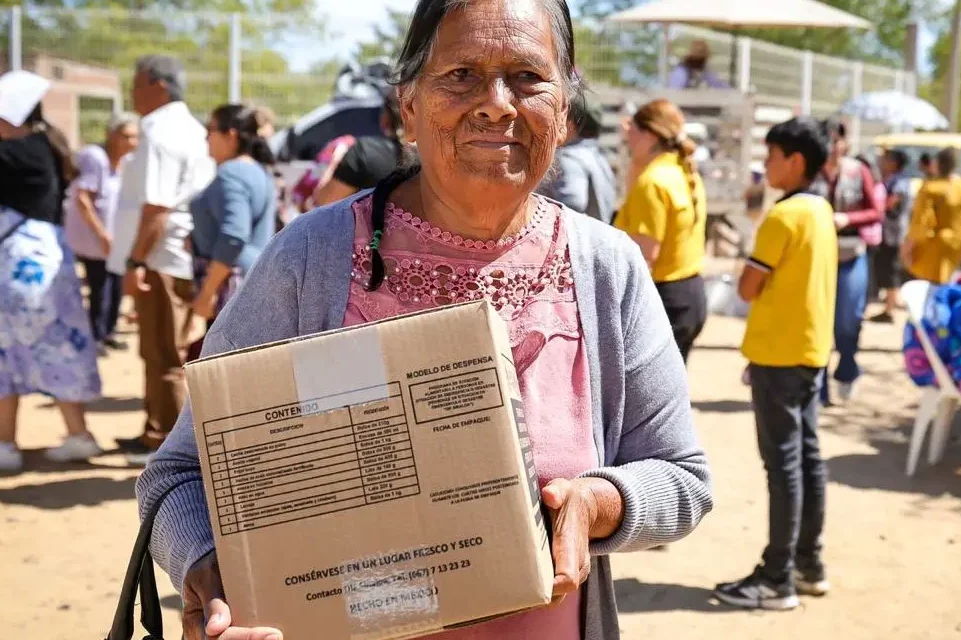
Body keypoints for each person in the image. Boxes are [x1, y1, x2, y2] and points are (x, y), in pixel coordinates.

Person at [135, 1, 713, 638]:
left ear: (566, 110)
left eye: (527, 76)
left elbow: (682, 478)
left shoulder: (606, 266)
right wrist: (212, 574)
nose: (496, 103)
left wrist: (599, 503)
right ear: (407, 106)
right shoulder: (313, 256)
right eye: (461, 75)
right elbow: (180, 474)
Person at [0, 71, 104, 472]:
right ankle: (77, 434)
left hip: (17, 264)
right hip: (50, 260)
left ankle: (4, 444)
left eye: (0, 118)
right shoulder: (43, 147)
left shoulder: (19, 151)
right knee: (60, 343)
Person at [714, 117, 836, 611]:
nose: (766, 166)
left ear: (796, 161)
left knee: (784, 466)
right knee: (806, 459)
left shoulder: (782, 217)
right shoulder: (822, 209)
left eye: (772, 156)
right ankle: (808, 564)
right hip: (809, 351)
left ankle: (776, 577)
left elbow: (747, 286)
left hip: (777, 355)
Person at [108, 55, 215, 464]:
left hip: (162, 257)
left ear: (159, 86)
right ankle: (155, 433)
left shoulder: (159, 130)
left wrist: (136, 263)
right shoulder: (188, 127)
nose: (132, 93)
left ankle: (169, 449)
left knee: (165, 354)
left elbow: (157, 207)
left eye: (137, 84)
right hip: (171, 254)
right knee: (157, 351)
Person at [614, 98, 709, 362]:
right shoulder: (681, 169)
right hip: (688, 294)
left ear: (650, 135)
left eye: (631, 131)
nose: (627, 139)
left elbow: (645, 257)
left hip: (666, 299)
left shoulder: (653, 182)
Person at [810, 119, 883, 404]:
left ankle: (848, 368)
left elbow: (875, 211)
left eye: (837, 141)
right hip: (817, 257)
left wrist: (848, 219)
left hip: (851, 255)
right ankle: (821, 388)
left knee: (848, 321)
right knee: (819, 322)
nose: (833, 147)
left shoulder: (858, 170)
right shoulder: (811, 171)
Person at [188, 104, 278, 326]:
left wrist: (207, 292)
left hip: (231, 288)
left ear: (231, 135)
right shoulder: (258, 170)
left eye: (211, 130)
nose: (206, 138)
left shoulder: (233, 173)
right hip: (251, 284)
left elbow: (233, 236)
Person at [63, 112, 139, 353]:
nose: (132, 143)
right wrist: (101, 235)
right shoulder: (95, 158)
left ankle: (109, 331)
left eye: (135, 137)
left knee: (116, 286)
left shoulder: (126, 162)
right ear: (111, 135)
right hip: (94, 239)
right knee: (100, 286)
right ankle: (94, 335)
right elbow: (83, 200)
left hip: (115, 238)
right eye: (126, 136)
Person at [310, 84, 404, 207]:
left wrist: (334, 162)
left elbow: (324, 202)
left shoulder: (364, 152)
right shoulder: (429, 157)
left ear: (385, 117)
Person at [902, 146, 961, 284]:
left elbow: (921, 224)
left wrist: (907, 249)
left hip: (933, 248)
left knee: (931, 292)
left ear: (936, 163)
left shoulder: (930, 189)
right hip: (958, 245)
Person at [537, 91, 617, 223]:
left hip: (573, 241)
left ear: (571, 124)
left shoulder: (570, 158)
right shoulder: (599, 157)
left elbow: (573, 202)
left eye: (562, 116)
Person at [869, 149, 912, 322]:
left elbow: (890, 203)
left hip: (893, 233)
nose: (882, 162)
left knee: (892, 270)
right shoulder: (892, 180)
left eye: (886, 159)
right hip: (888, 232)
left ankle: (890, 309)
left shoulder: (899, 182)